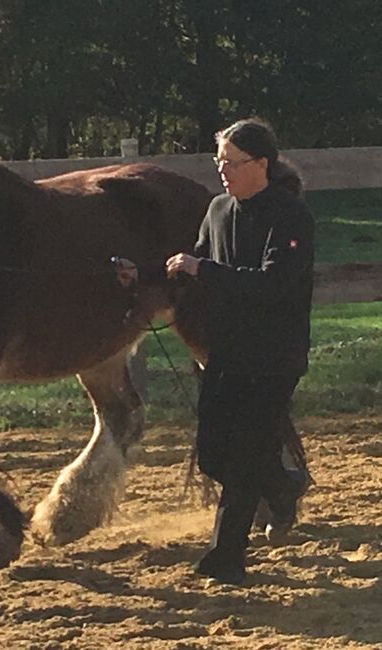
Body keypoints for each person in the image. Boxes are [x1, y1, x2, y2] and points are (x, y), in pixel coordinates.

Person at [116, 117, 314, 586]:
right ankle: (284, 484)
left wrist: (202, 267)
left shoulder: (290, 218)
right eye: (219, 161)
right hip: (226, 352)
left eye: (230, 162)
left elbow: (272, 284)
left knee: (244, 457)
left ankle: (226, 558)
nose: (222, 170)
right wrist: (141, 275)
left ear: (260, 164)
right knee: (212, 457)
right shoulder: (218, 210)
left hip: (273, 357)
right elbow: (189, 270)